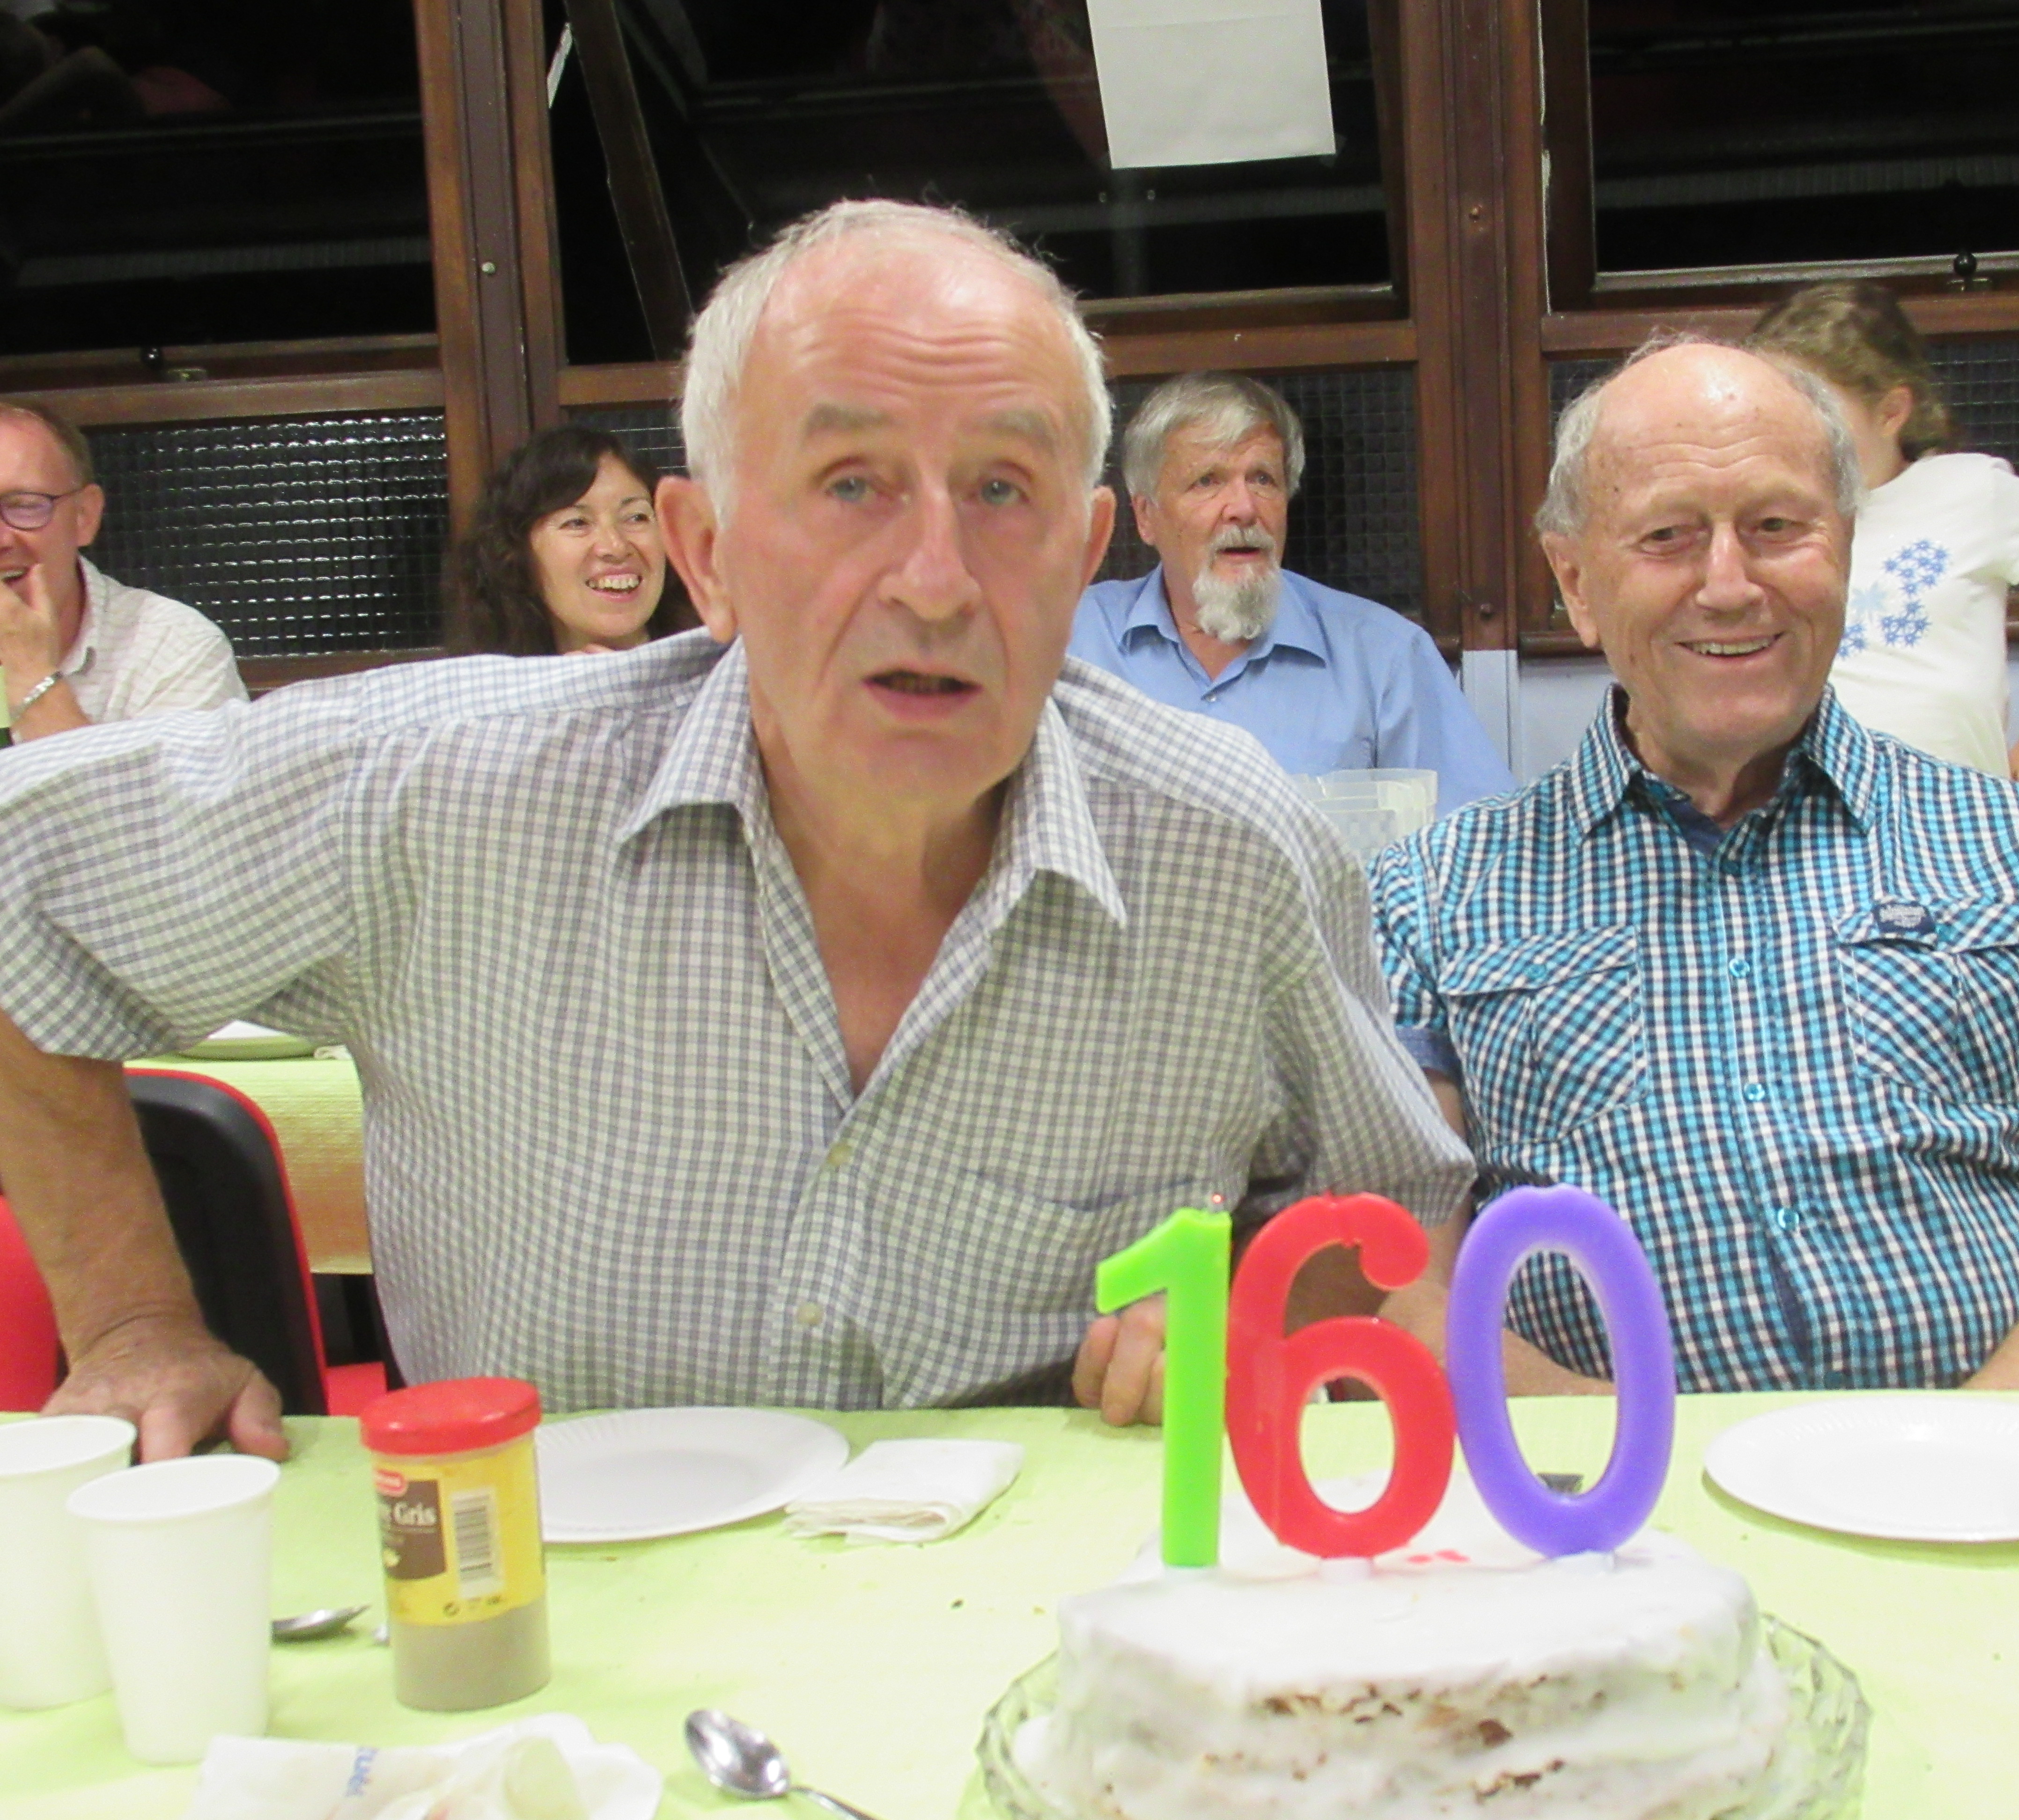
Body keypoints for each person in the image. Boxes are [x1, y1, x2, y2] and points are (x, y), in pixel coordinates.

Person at [0, 200, 1469, 1460]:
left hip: (1047, 1626)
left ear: (1084, 556)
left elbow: (1377, 1206)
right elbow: (24, 887)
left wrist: (1255, 1306)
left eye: (1002, 491)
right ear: (705, 554)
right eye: (851, 486)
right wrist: (131, 1326)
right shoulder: (443, 790)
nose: (937, 580)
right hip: (559, 1619)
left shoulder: (1227, 844)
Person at [1370, 337, 2019, 1394]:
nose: (1728, 584)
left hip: (1998, 1472)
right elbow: (1393, 1296)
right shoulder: (1432, 894)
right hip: (1608, 1487)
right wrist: (1644, 1462)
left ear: (1845, 549)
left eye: (1776, 527)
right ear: (1576, 582)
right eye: (1666, 536)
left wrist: (1932, 1458)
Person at [1747, 283, 2019, 799]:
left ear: (1891, 412)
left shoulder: (1973, 490)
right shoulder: (1759, 516)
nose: (1796, 433)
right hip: (1804, 810)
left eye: (1819, 412)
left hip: (1957, 814)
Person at [1069, 372, 1514, 812]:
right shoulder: (1071, 645)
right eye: (1208, 481)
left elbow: (1481, 839)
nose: (1244, 508)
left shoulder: (1383, 657)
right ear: (1146, 517)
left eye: (1263, 479)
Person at [0, 398, 244, 745]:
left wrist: (32, 676)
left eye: (24, 506)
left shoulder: (174, 650)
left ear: (85, 516)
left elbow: (157, 787)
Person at [447, 423, 698, 656]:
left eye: (636, 518)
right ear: (516, 554)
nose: (615, 547)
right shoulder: (487, 687)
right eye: (577, 523)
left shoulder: (717, 671)